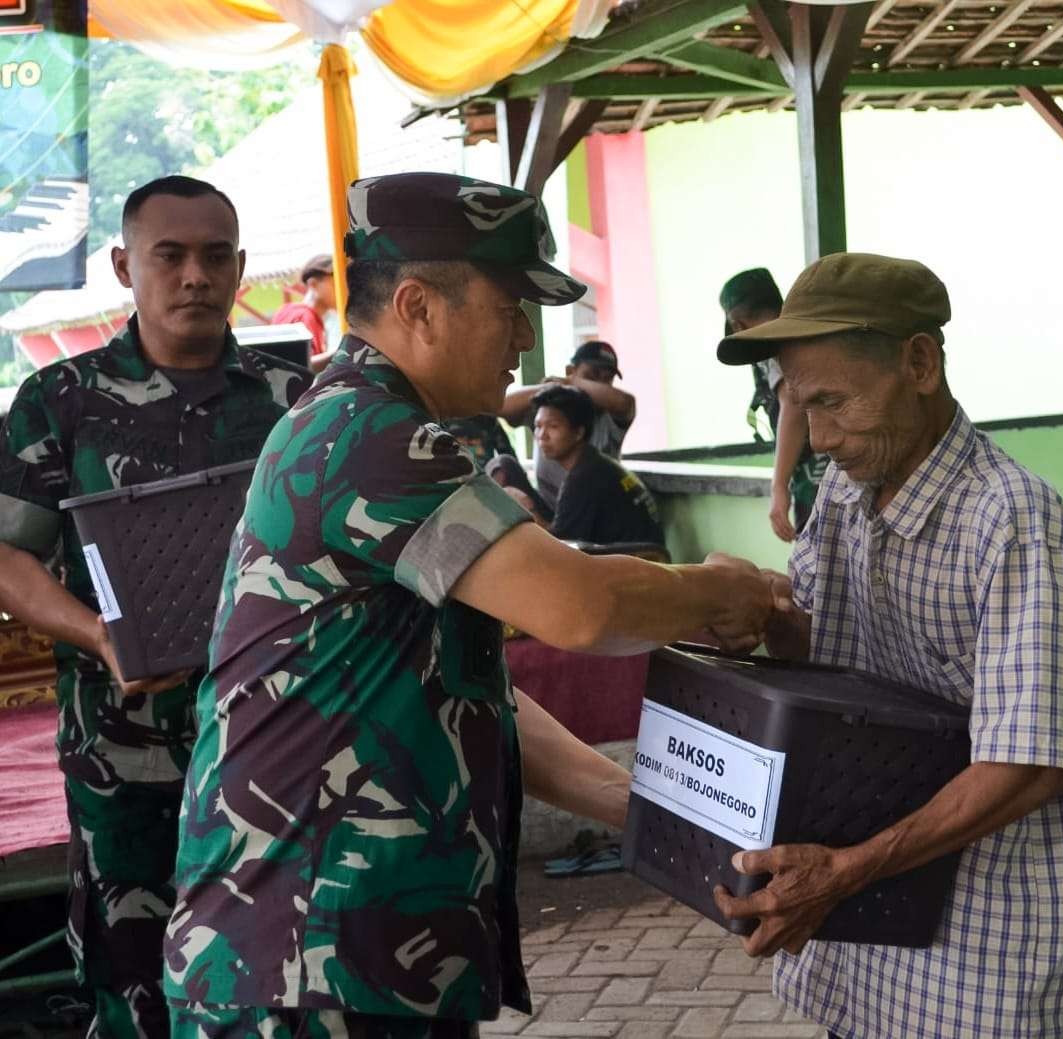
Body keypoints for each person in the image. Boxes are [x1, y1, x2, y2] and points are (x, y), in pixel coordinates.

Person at [161, 173, 774, 1037]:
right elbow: (580, 606)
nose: (525, 337)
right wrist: (726, 589)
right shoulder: (367, 436)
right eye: (510, 304)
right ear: (417, 304)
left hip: (350, 960)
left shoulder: (385, 428)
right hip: (304, 967)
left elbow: (472, 696)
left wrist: (658, 809)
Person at [711, 253, 1063, 1038]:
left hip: (971, 965)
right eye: (800, 406)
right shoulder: (843, 491)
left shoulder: (1013, 524)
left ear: (919, 363)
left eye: (832, 402)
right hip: (860, 952)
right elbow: (819, 650)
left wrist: (847, 869)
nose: (819, 438)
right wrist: (761, 617)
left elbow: (1033, 761)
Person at [0, 174, 308, 1039]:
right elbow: (9, 557)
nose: (194, 276)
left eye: (215, 257)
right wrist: (95, 633)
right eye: (168, 256)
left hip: (279, 749)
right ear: (123, 265)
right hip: (122, 754)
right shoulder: (60, 400)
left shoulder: (293, 398)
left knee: (276, 976)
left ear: (241, 267)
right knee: (132, 981)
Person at [719, 267, 828, 541]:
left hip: (820, 478)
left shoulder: (773, 343)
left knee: (817, 567)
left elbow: (793, 405)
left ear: (737, 326)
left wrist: (779, 486)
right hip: (840, 475)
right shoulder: (811, 333)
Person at [500, 339, 635, 509]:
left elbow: (624, 402)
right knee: (502, 466)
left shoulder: (611, 418)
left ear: (579, 432)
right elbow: (503, 406)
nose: (597, 386)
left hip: (595, 509)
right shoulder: (549, 409)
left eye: (607, 380)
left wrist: (570, 383)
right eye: (591, 376)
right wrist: (554, 387)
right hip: (551, 509)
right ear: (571, 371)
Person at [529, 383, 663, 547]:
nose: (542, 436)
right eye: (538, 426)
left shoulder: (584, 477)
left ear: (578, 432)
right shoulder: (595, 464)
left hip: (634, 564)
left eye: (553, 426)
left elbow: (560, 549)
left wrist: (529, 510)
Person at [270, 253, 337, 371]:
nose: (344, 288)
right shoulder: (303, 317)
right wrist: (339, 354)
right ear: (313, 284)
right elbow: (300, 367)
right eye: (335, 283)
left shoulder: (287, 311)